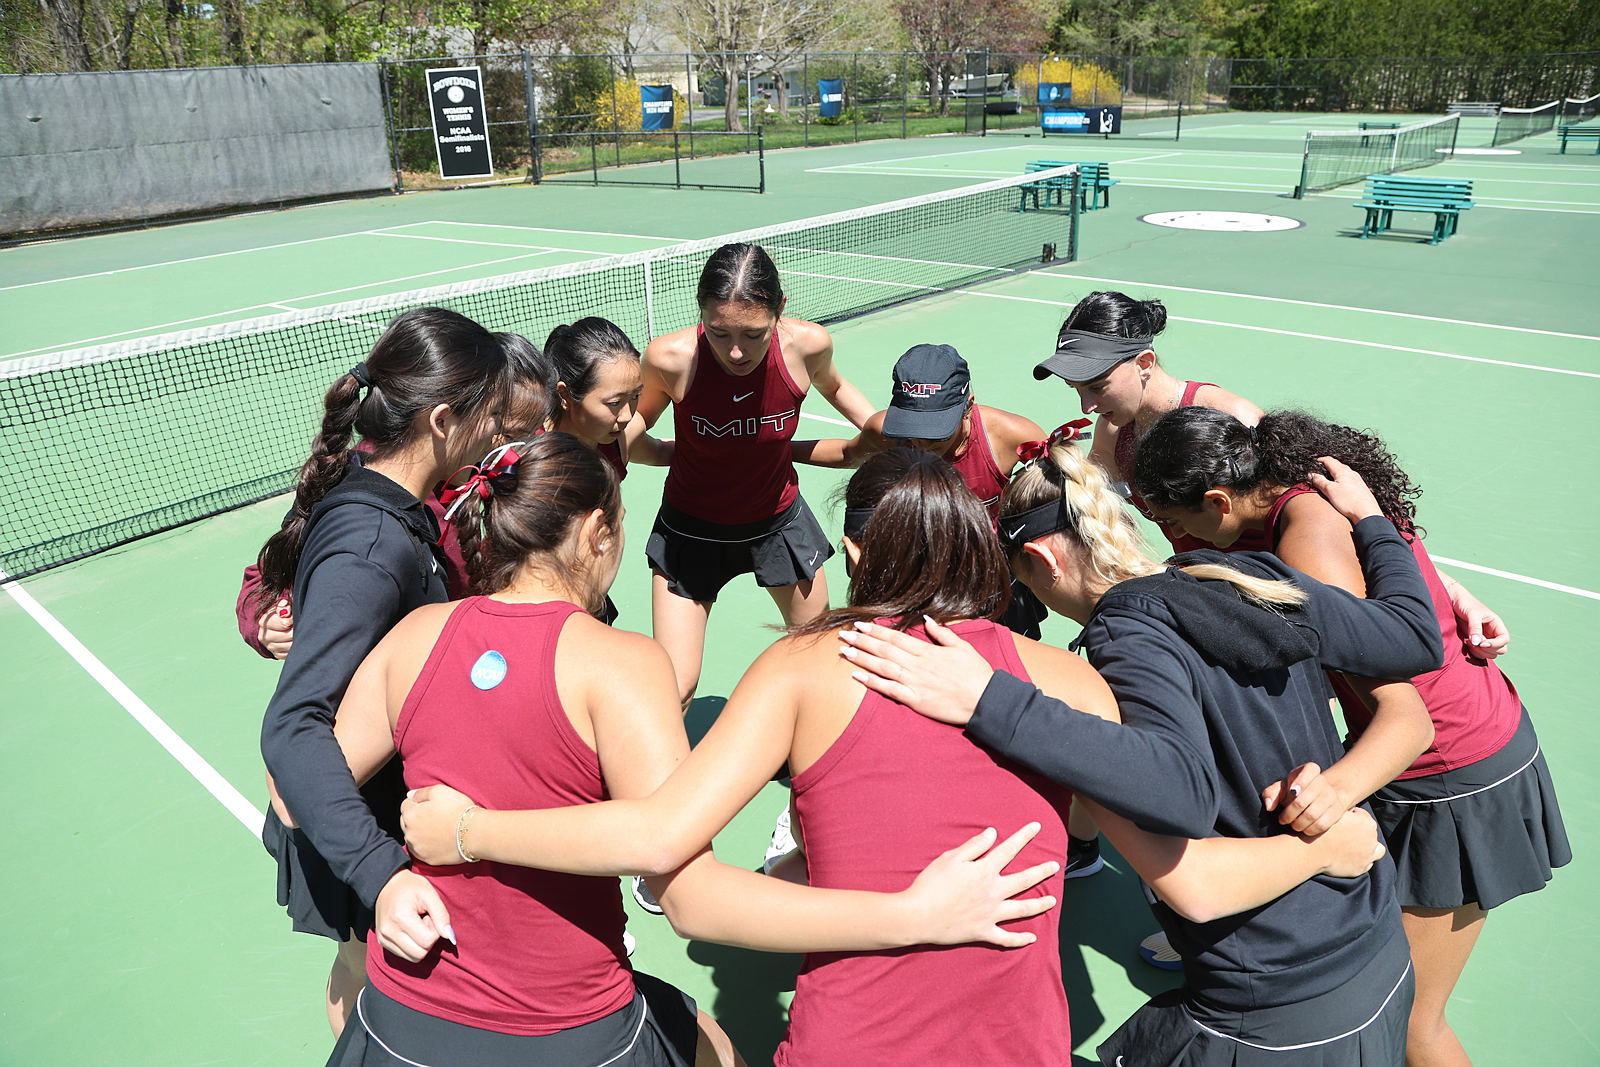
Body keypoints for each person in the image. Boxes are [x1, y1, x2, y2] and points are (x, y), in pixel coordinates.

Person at [395, 449, 1393, 1066]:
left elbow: (689, 893)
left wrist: (462, 827)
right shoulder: (1070, 680)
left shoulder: (799, 667)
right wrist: (1328, 845)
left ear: (861, 556)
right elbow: (1202, 885)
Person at [330, 439, 1066, 1066]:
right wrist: (910, 912)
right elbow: (682, 884)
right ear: (597, 533)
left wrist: (386, 870)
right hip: (572, 1029)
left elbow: (295, 781)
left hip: (397, 1021)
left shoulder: (414, 636)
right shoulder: (624, 664)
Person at [837, 442, 1451, 1063]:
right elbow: (1416, 639)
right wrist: (1373, 522)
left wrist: (988, 699)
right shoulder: (1248, 575)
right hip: (1373, 942)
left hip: (1273, 994)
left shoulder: (1123, 635)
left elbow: (1179, 794)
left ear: (1041, 558)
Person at [1132, 407, 1570, 1067]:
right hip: (1436, 754)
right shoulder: (1288, 490)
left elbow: (1401, 704)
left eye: (1175, 519)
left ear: (1219, 498)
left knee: (1413, 1019)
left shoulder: (1307, 538)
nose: (1171, 536)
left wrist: (1331, 793)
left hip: (1452, 772)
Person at [255, 307, 515, 1036]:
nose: (497, 434)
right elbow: (293, 723)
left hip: (362, 817)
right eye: (490, 417)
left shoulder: (394, 506)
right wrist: (382, 873)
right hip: (357, 829)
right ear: (441, 420)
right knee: (375, 988)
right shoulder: (372, 544)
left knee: (352, 973)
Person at [631, 242, 874, 706]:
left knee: (817, 662)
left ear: (780, 310)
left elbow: (837, 386)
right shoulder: (670, 358)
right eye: (719, 333)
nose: (737, 352)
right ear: (701, 312)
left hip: (778, 524)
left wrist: (881, 432)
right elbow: (635, 428)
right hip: (689, 531)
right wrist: (661, 453)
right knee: (674, 688)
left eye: (754, 334)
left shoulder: (809, 346)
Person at [235, 332, 556, 659]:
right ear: (461, 415)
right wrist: (265, 619)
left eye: (530, 434)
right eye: (510, 432)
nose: (516, 449)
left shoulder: (515, 469)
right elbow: (271, 571)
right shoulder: (368, 488)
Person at [1033, 290, 1263, 554]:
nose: (1087, 407)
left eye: (1097, 387)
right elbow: (1098, 507)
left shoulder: (1234, 416)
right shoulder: (1113, 431)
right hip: (1198, 578)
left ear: (1144, 363)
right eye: (1075, 388)